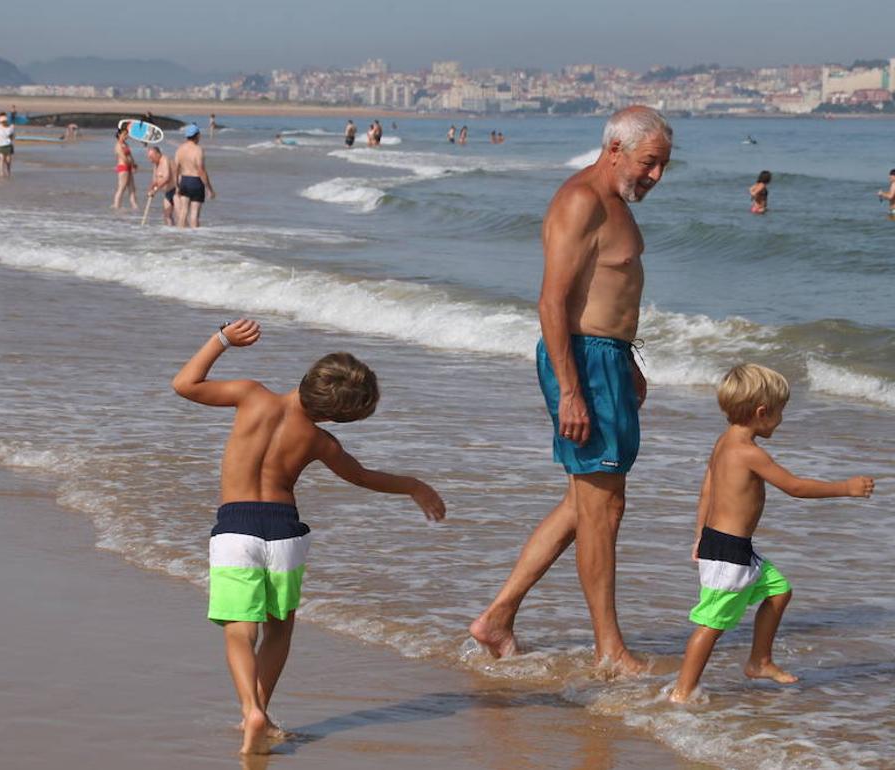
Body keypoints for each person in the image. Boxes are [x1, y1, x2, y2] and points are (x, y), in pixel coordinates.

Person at [171, 319, 445, 755]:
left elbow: (185, 384)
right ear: (337, 414)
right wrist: (413, 484)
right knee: (279, 628)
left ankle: (251, 711)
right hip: (283, 529)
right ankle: (260, 711)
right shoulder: (320, 440)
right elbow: (362, 477)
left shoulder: (249, 394)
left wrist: (222, 339)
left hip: (235, 525)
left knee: (240, 631)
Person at [468, 106, 672, 673]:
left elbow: (605, 293)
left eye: (662, 167)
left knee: (586, 504)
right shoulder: (580, 201)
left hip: (605, 360)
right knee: (602, 508)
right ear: (615, 150)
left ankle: (497, 619)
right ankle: (610, 650)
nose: (655, 176)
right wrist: (571, 391)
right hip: (581, 362)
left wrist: (627, 360)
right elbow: (552, 302)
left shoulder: (614, 205)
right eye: (649, 164)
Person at [669, 364, 874, 703]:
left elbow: (707, 489)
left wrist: (699, 535)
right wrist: (846, 488)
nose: (781, 419)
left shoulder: (723, 443)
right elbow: (794, 486)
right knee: (711, 624)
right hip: (729, 552)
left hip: (726, 544)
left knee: (779, 591)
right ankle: (682, 692)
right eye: (780, 412)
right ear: (762, 412)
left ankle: (759, 661)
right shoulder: (750, 453)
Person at [174, 124, 215, 228]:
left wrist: (177, 185)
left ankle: (180, 235)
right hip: (196, 182)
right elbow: (201, 171)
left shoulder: (180, 149)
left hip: (184, 181)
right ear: (197, 136)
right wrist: (209, 188)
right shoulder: (198, 150)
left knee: (183, 212)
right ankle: (194, 239)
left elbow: (176, 168)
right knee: (194, 214)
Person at [145, 145, 176, 226]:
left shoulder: (165, 160)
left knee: (180, 215)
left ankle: (186, 234)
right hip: (168, 192)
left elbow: (166, 178)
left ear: (158, 154)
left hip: (176, 190)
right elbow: (155, 180)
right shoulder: (156, 163)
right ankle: (172, 233)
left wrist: (155, 190)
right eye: (149, 158)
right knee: (167, 215)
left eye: (151, 157)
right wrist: (150, 188)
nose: (150, 160)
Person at [111, 125, 138, 210]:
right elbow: (124, 158)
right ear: (119, 135)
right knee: (122, 187)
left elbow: (130, 156)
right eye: (125, 134)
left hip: (129, 167)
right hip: (123, 167)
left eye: (127, 134)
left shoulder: (126, 144)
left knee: (132, 188)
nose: (126, 136)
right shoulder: (118, 145)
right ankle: (116, 205)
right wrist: (131, 164)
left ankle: (134, 205)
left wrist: (134, 164)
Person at [0, 112, 15, 177]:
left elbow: (13, 136)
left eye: (4, 121)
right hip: (0, 145)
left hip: (8, 145)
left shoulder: (11, 127)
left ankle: (8, 171)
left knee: (8, 160)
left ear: (6, 121)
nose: (2, 122)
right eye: (1, 121)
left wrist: (11, 140)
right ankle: (1, 172)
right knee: (2, 158)